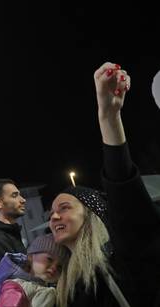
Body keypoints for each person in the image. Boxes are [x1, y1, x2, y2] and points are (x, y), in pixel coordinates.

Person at [49, 62, 160, 306]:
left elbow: (126, 196)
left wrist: (109, 118)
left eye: (64, 207)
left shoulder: (122, 258)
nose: (54, 217)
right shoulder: (62, 278)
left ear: (93, 215)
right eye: (52, 212)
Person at [0, 234, 69, 307]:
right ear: (30, 256)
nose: (54, 267)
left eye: (59, 267)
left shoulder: (36, 286)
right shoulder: (14, 287)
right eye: (49, 259)